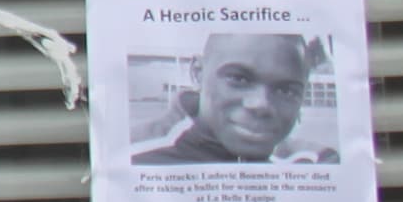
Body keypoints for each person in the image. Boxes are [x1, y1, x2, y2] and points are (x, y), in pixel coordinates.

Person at [131, 33, 327, 165]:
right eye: (239, 79)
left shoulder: (311, 162)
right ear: (198, 73)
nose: (261, 104)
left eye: (286, 91)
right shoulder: (133, 152)